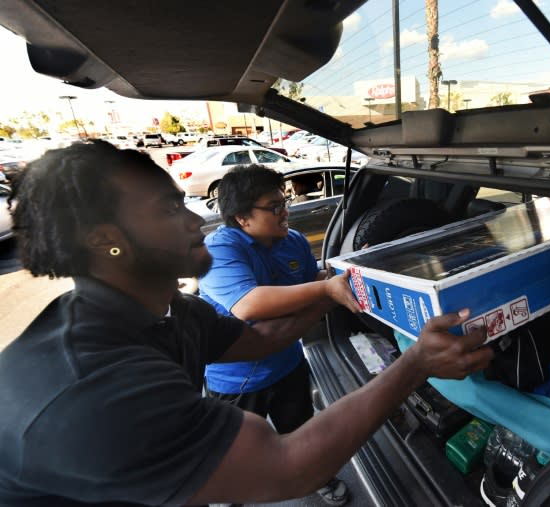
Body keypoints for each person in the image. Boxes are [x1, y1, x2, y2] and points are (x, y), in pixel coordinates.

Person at [0, 140, 492, 506]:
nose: (196, 222)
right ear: (108, 241)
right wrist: (415, 363)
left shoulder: (172, 311)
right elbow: (286, 466)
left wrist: (333, 297)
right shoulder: (92, 385)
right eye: (169, 209)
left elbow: (261, 340)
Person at [197, 165, 358, 505]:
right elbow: (249, 305)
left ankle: (318, 479)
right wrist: (326, 290)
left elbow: (311, 283)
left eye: (283, 202)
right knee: (235, 455)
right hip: (236, 379)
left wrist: (347, 270)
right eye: (274, 206)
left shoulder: (294, 241)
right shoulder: (220, 249)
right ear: (242, 218)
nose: (285, 211)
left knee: (300, 432)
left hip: (287, 362)